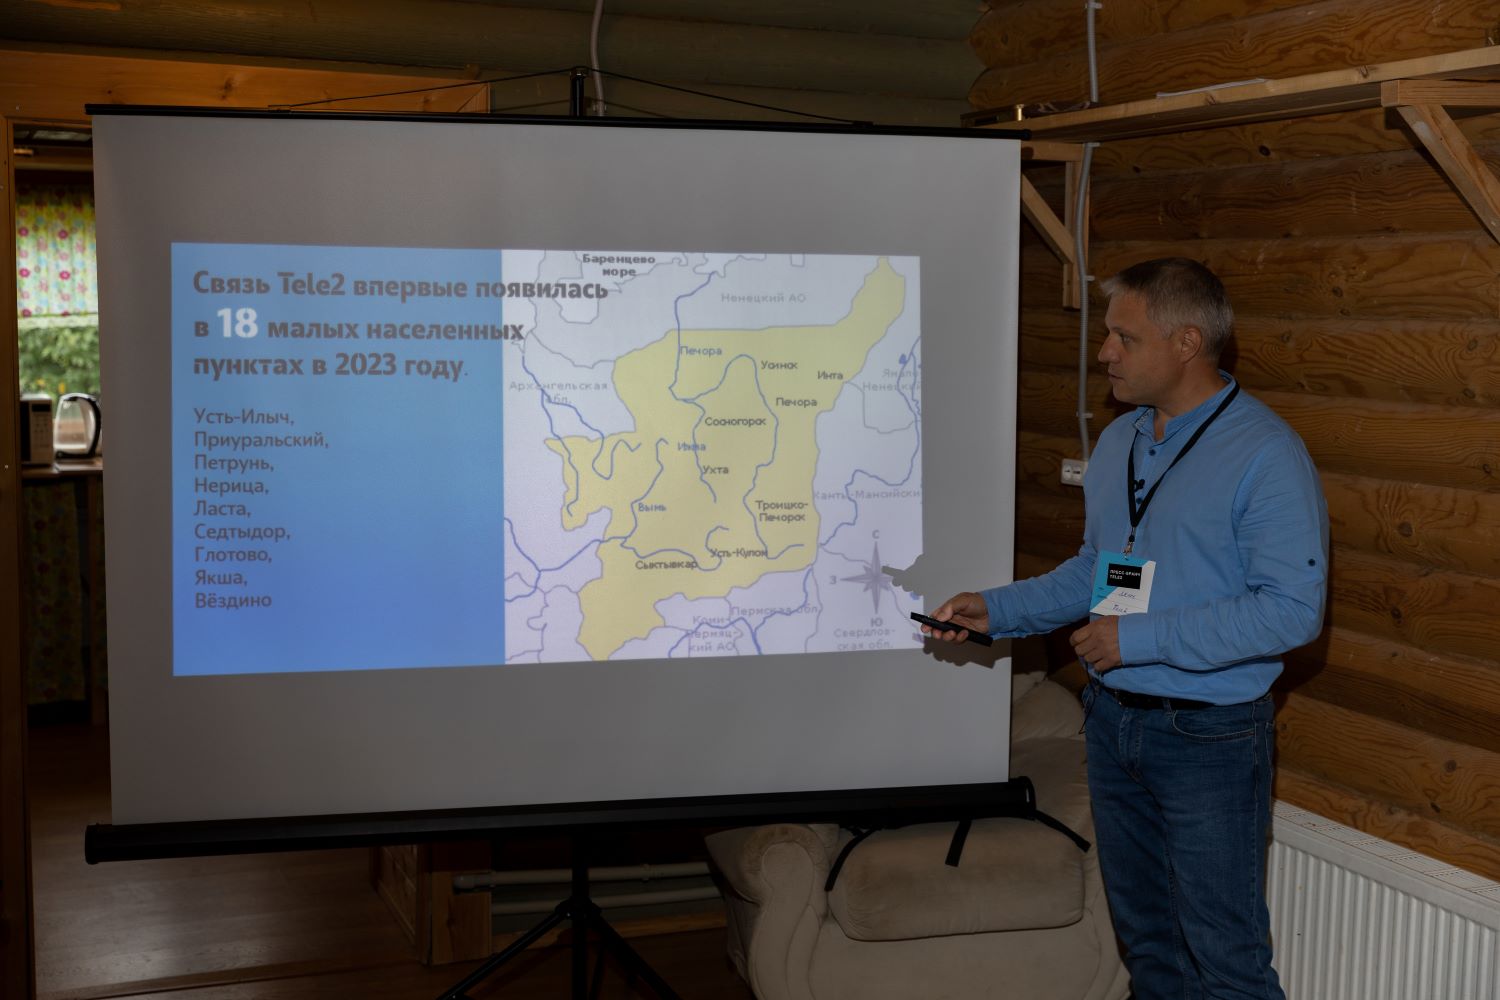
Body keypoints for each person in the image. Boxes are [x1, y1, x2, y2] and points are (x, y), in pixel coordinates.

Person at [921, 258, 1327, 1000]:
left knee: (1225, 963)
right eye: (1108, 334)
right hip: (1113, 725)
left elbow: (1290, 611)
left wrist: (1134, 642)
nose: (1104, 351)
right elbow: (1102, 571)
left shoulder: (1266, 455)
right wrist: (997, 609)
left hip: (1208, 739)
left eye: (1123, 337)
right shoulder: (1120, 441)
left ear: (1187, 343)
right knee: (1150, 951)